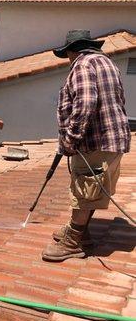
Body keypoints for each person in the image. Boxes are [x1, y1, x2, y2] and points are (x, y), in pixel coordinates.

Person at [42, 30, 131, 262]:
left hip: (95, 142)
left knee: (84, 190)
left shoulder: (82, 64)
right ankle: (82, 232)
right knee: (91, 189)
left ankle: (73, 241)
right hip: (113, 139)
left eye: (68, 55)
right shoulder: (107, 63)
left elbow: (85, 103)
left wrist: (70, 139)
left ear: (73, 51)